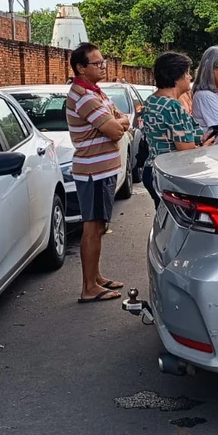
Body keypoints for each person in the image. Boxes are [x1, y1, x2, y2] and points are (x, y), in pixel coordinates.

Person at [65, 42, 129, 304]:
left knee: (100, 226)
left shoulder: (96, 92)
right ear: (81, 68)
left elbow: (120, 118)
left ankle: (96, 277)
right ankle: (88, 286)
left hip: (103, 169)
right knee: (92, 228)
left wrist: (118, 122)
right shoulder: (85, 97)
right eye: (96, 63)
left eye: (103, 62)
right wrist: (117, 124)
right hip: (93, 172)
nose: (103, 67)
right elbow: (115, 130)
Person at [140, 52, 216, 208]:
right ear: (176, 77)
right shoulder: (172, 106)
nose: (189, 77)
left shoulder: (151, 101)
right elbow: (185, 150)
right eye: (187, 73)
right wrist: (204, 148)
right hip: (170, 174)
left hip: (153, 169)